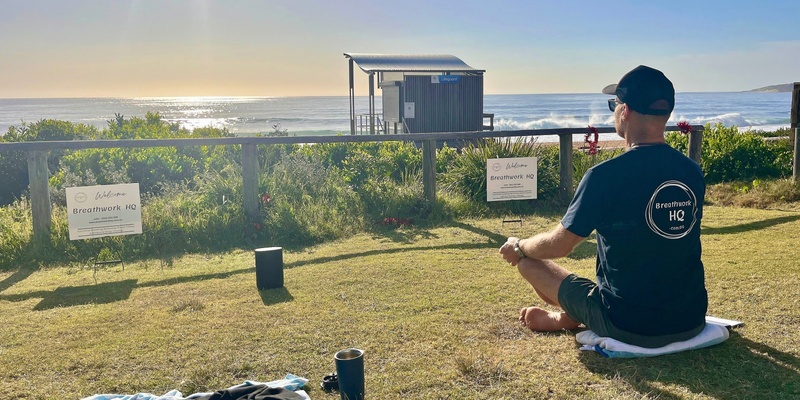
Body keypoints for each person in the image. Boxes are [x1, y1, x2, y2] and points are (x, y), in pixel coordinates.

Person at [499, 65, 707, 348]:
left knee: (529, 263)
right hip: (690, 320)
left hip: (627, 323)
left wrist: (519, 247)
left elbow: (560, 245)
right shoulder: (691, 171)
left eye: (615, 104)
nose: (614, 111)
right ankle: (564, 318)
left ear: (626, 111)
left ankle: (568, 317)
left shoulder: (604, 176)